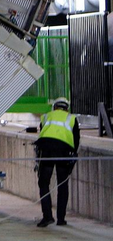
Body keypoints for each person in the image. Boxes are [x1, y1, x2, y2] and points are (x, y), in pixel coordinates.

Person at [36, 97, 80, 227]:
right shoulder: (71, 118)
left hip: (47, 151)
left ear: (54, 107)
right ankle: (61, 218)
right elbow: (76, 140)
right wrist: (73, 156)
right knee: (62, 185)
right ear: (67, 108)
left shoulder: (46, 117)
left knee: (43, 183)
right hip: (64, 152)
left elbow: (42, 132)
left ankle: (47, 216)